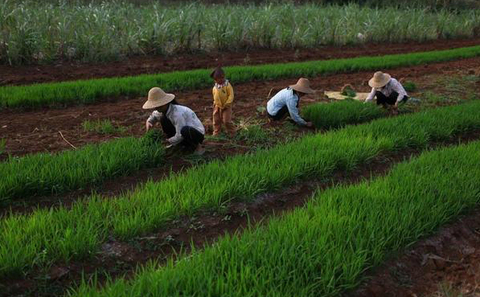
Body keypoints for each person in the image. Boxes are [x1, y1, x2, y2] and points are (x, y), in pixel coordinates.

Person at [143, 87, 205, 155]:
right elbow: (153, 117)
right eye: (156, 106)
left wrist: (168, 141)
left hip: (195, 134)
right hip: (182, 135)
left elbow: (180, 134)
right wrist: (149, 122)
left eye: (159, 106)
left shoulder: (178, 114)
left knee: (185, 130)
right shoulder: (162, 111)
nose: (157, 108)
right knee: (163, 119)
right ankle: (179, 145)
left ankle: (199, 147)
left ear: (166, 103)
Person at [211, 66, 235, 136]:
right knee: (216, 120)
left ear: (223, 77)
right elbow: (215, 96)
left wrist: (227, 104)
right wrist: (215, 104)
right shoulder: (215, 87)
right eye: (215, 80)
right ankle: (216, 132)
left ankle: (232, 132)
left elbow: (231, 95)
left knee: (226, 121)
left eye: (219, 79)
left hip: (226, 106)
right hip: (217, 106)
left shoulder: (227, 85)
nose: (217, 81)